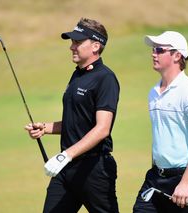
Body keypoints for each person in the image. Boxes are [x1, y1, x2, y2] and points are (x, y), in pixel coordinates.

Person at [25, 18, 120, 213]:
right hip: (67, 169)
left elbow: (102, 129)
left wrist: (65, 156)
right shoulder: (78, 75)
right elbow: (76, 120)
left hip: (94, 170)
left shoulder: (105, 78)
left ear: (95, 46)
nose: (71, 47)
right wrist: (46, 127)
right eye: (72, 42)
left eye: (77, 42)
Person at [133, 31, 188, 213]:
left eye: (160, 50)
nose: (154, 53)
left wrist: (186, 182)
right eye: (153, 49)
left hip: (186, 178)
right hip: (156, 178)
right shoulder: (153, 92)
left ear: (177, 56)